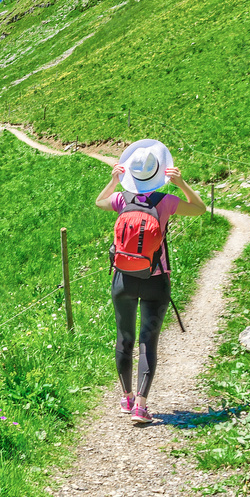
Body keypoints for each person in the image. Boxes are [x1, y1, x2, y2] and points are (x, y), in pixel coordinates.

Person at [95, 139, 206, 424]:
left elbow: (99, 202)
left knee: (124, 338)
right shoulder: (166, 202)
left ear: (131, 176)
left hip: (123, 279)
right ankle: (141, 406)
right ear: (159, 173)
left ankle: (126, 397)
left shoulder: (121, 200)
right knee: (147, 341)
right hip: (156, 280)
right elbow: (200, 209)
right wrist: (181, 183)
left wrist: (113, 180)